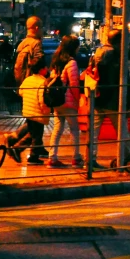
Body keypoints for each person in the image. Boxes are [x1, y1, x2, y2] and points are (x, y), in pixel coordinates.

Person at [89, 29, 130, 168]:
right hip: (112, 101)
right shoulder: (115, 55)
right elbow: (120, 81)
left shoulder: (98, 53)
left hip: (98, 97)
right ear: (120, 42)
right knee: (123, 131)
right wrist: (128, 102)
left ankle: (90, 160)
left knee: (94, 132)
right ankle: (128, 157)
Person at [4, 16, 46, 161]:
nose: (42, 31)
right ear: (36, 28)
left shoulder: (22, 44)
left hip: (23, 84)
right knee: (37, 118)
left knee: (33, 117)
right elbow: (38, 63)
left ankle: (36, 146)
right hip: (34, 84)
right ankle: (19, 145)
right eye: (41, 28)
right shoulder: (36, 44)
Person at [47, 35, 84, 168]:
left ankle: (52, 157)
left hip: (57, 100)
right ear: (73, 47)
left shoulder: (56, 60)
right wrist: (78, 99)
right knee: (74, 129)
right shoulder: (72, 63)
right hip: (68, 101)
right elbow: (74, 85)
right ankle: (76, 157)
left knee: (57, 128)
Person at [11, 59, 51, 165]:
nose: (47, 69)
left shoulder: (28, 79)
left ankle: (18, 149)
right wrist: (46, 110)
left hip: (28, 111)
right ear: (42, 70)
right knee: (37, 136)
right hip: (38, 112)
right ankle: (32, 156)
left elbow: (21, 92)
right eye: (45, 68)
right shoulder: (42, 82)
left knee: (32, 134)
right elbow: (41, 99)